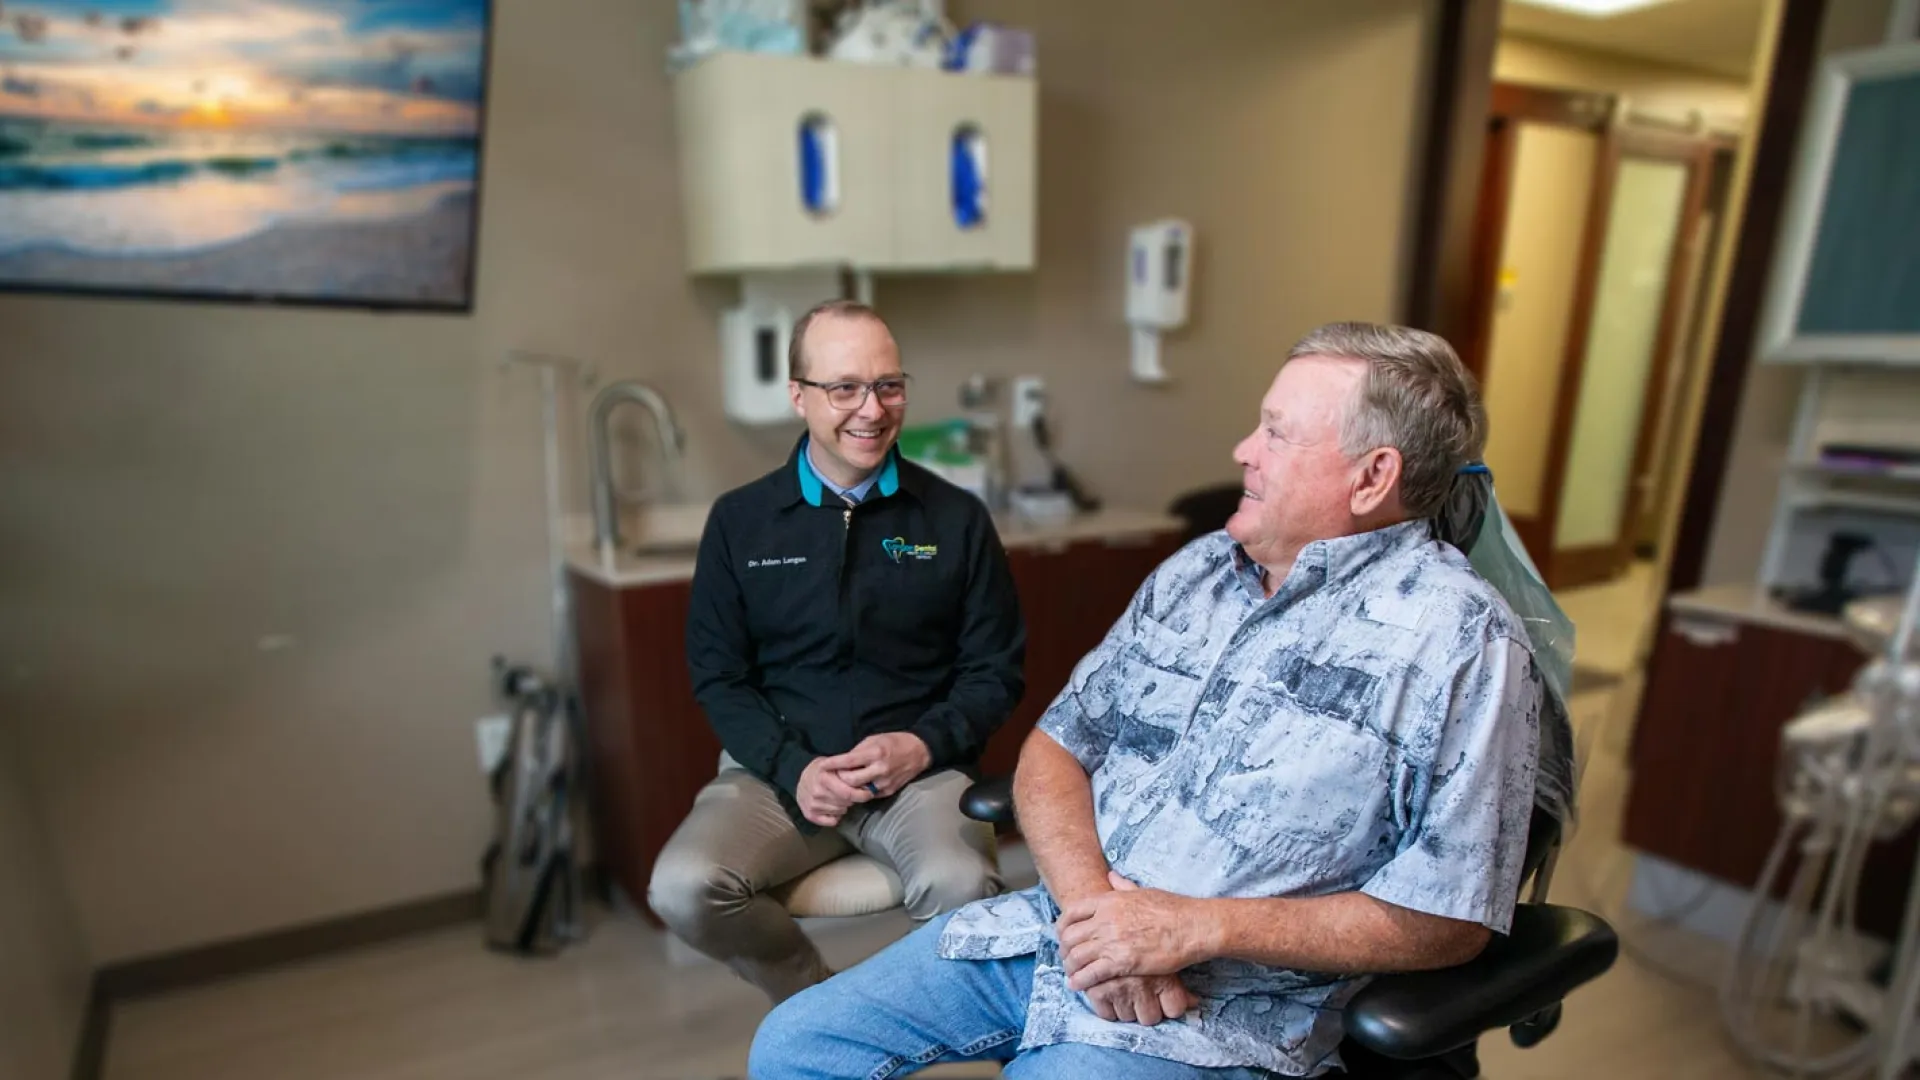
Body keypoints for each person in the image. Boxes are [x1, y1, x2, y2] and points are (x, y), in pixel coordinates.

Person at [749, 322, 1549, 1078]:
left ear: (1373, 477)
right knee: (795, 1047)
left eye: (1276, 433)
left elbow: (1452, 919)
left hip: (1224, 1010)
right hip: (1058, 934)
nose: (1243, 451)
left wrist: (1193, 928)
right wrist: (1099, 919)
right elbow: (1057, 747)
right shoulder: (1201, 571)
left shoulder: (1461, 644)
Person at [648, 299, 1026, 1005]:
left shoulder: (954, 518)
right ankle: (822, 1007)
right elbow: (720, 677)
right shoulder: (741, 522)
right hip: (778, 776)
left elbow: (994, 671)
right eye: (844, 387)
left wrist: (920, 745)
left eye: (889, 385)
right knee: (682, 888)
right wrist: (795, 768)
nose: (872, 409)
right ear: (798, 396)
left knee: (964, 887)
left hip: (919, 775)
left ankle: (917, 1023)